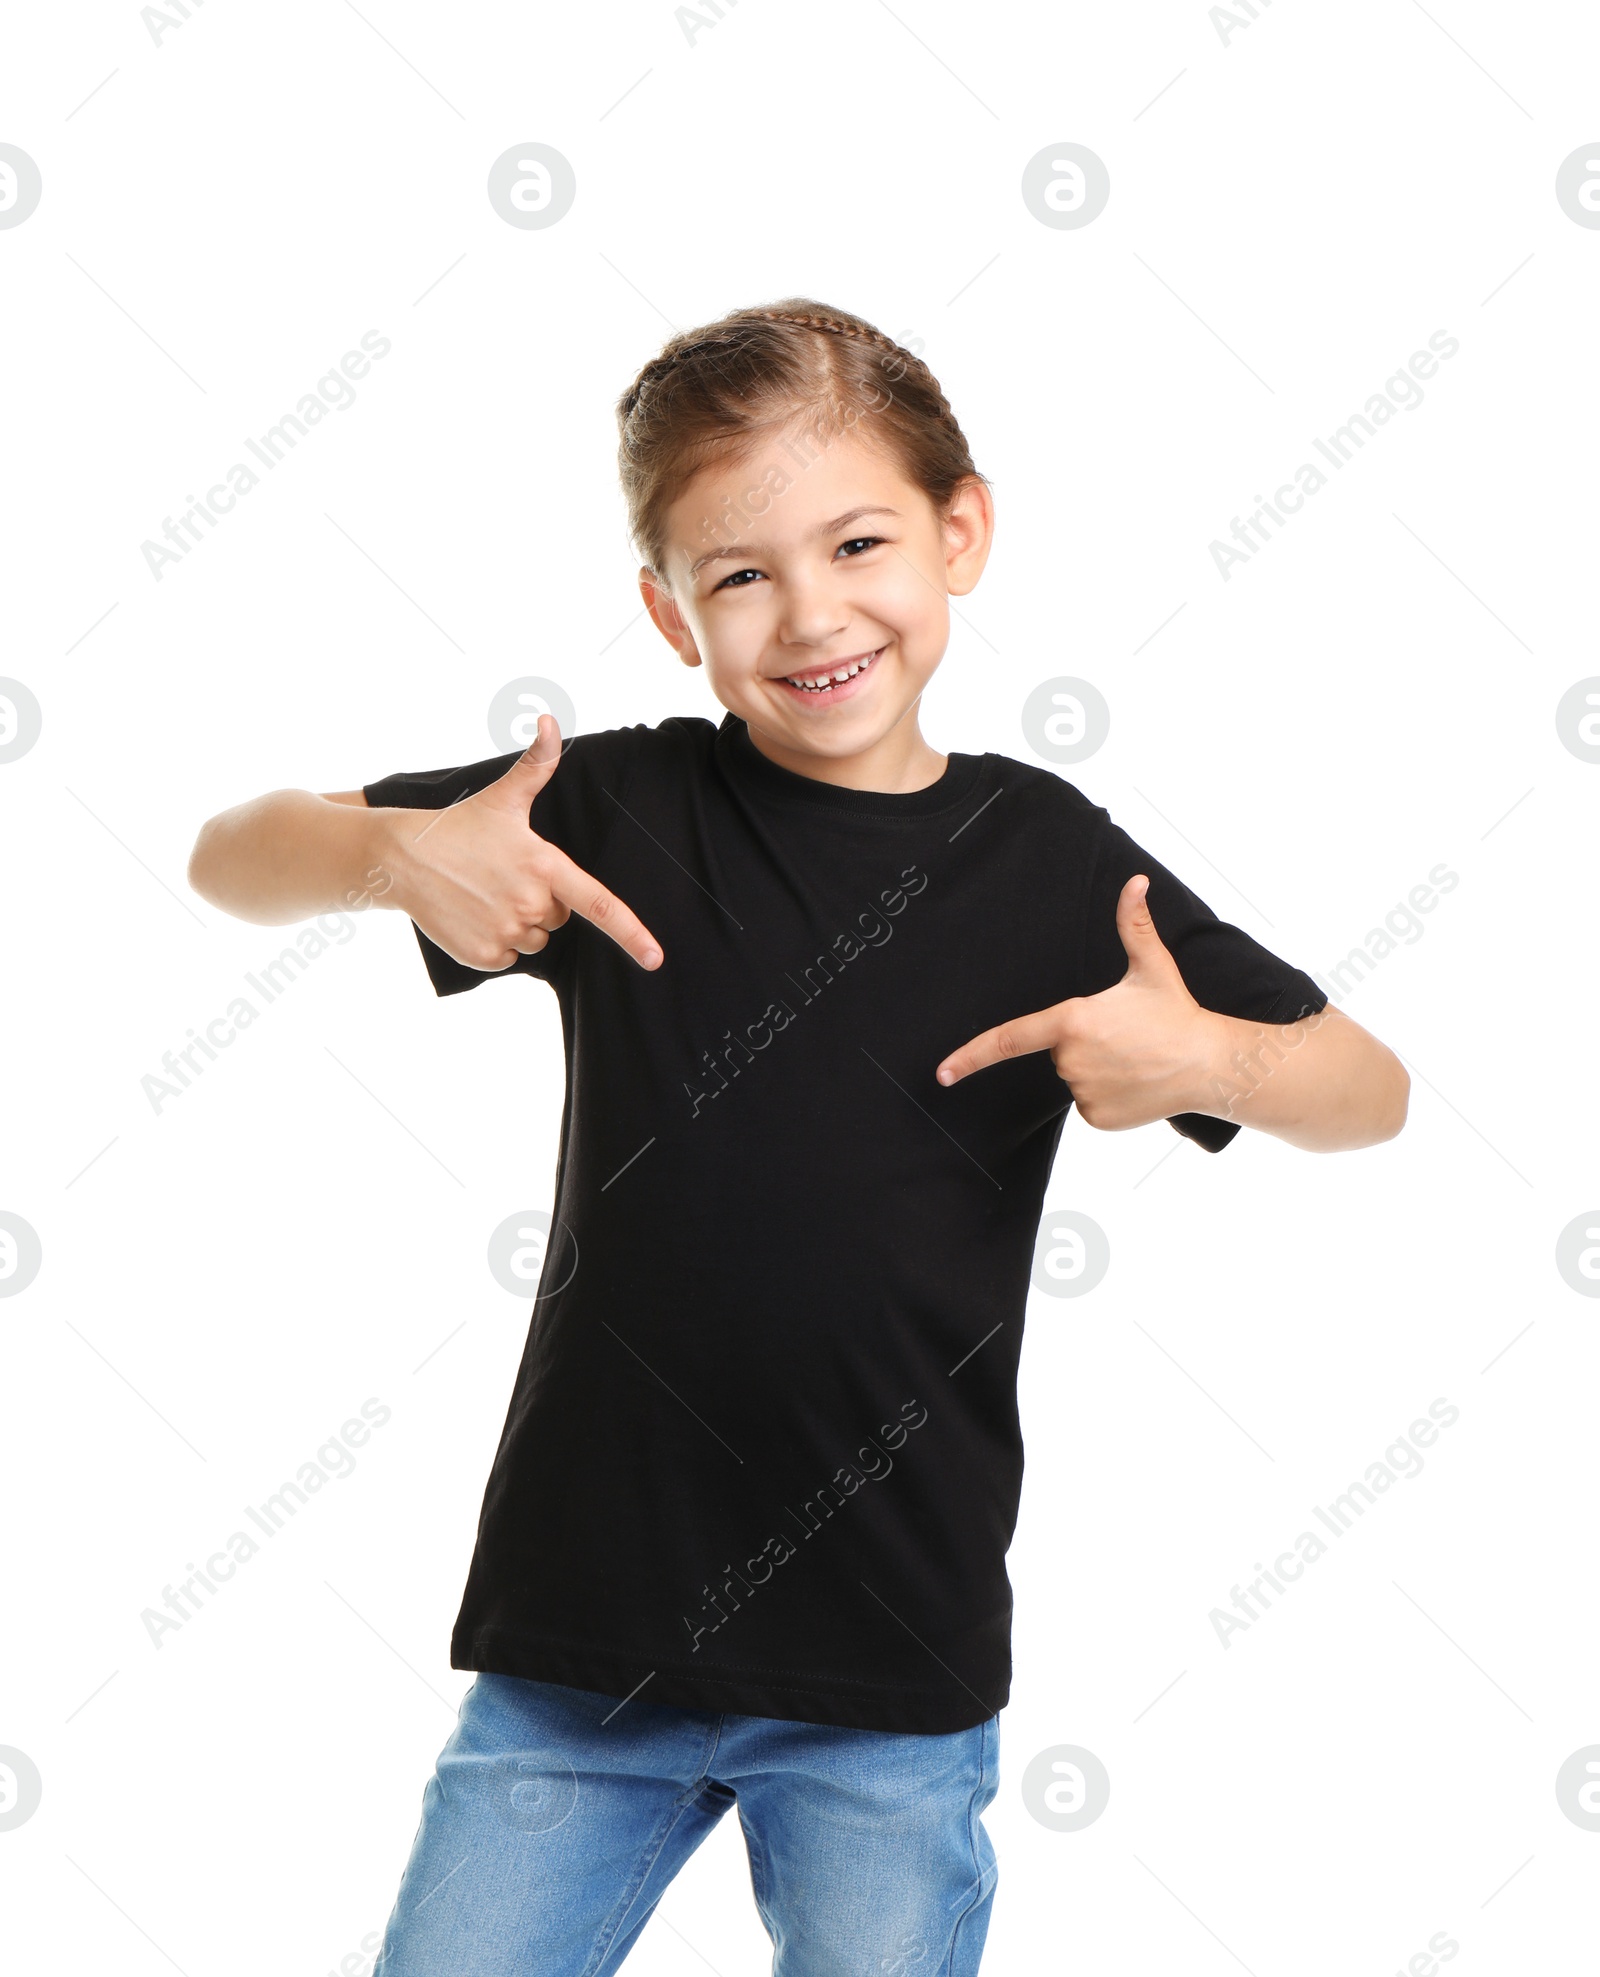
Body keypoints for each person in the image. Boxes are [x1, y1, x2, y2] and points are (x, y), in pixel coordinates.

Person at [188, 300, 1409, 1976]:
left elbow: (1368, 1084)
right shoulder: (621, 809)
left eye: (858, 541)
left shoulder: (1043, 858)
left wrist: (1213, 1058)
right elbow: (229, 853)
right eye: (741, 571)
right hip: (580, 1651)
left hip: (885, 1676)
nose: (812, 610)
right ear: (668, 612)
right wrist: (391, 859)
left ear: (959, 531)